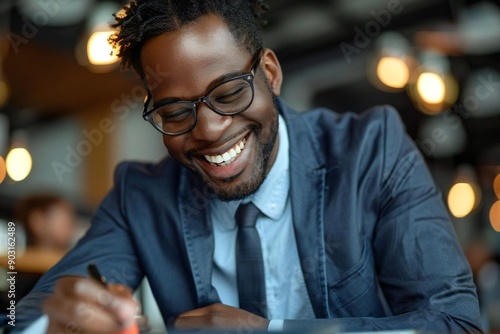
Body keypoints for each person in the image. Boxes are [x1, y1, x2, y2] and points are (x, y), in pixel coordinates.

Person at [15, 0, 482, 333]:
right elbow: (29, 316)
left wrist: (270, 331)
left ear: (271, 74)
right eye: (176, 112)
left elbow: (453, 323)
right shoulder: (141, 197)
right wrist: (62, 323)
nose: (211, 129)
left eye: (230, 92)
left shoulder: (370, 152)